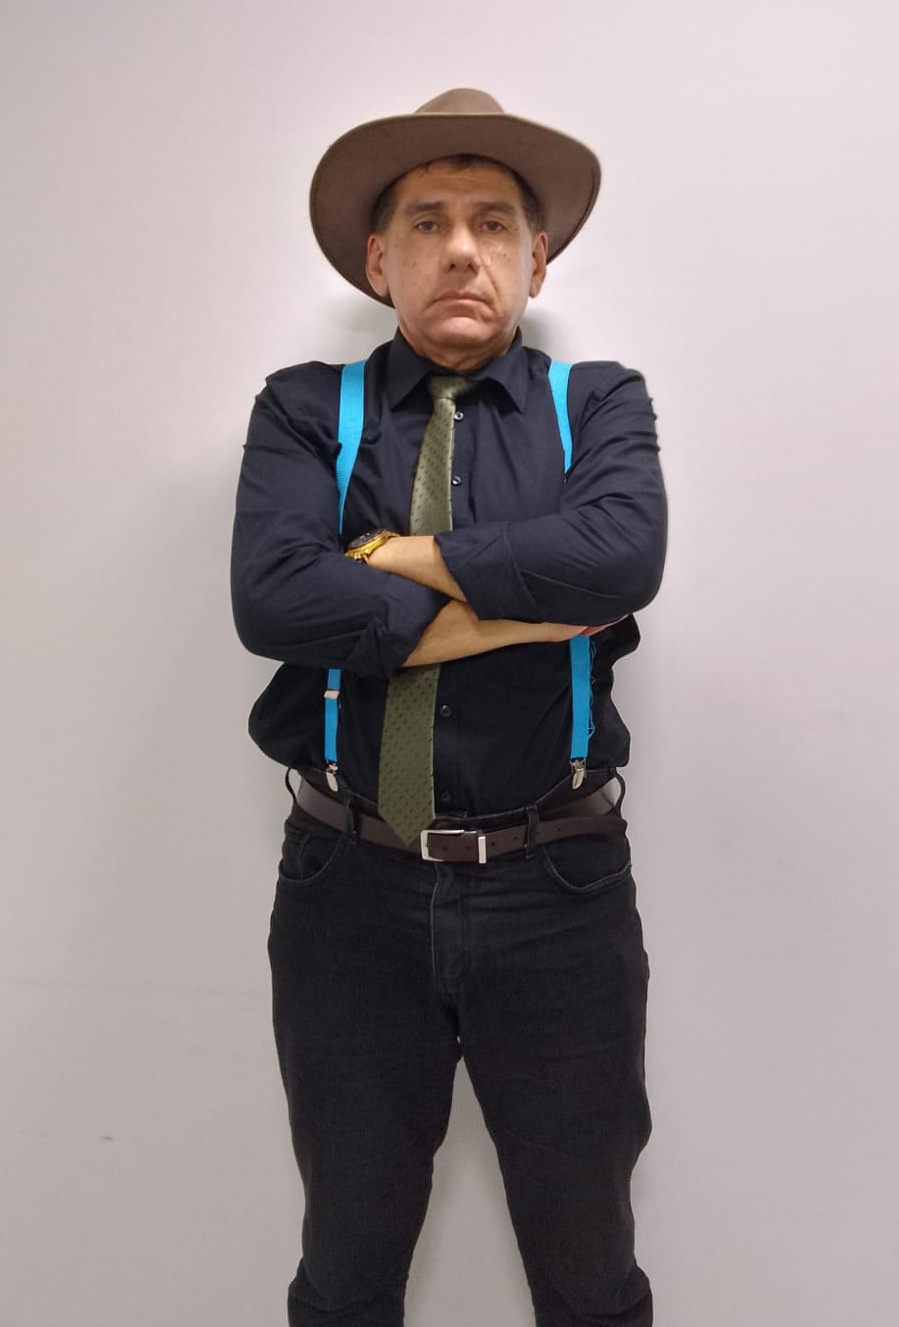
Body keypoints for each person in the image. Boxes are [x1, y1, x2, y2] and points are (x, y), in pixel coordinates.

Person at [231, 87, 668, 1327]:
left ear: (539, 259)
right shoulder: (304, 410)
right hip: (348, 890)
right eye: (428, 223)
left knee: (589, 1277)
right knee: (346, 1271)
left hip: (559, 889)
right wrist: (529, 605)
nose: (462, 249)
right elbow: (273, 598)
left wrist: (389, 561)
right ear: (381, 261)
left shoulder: (599, 405)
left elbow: (620, 560)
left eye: (493, 223)